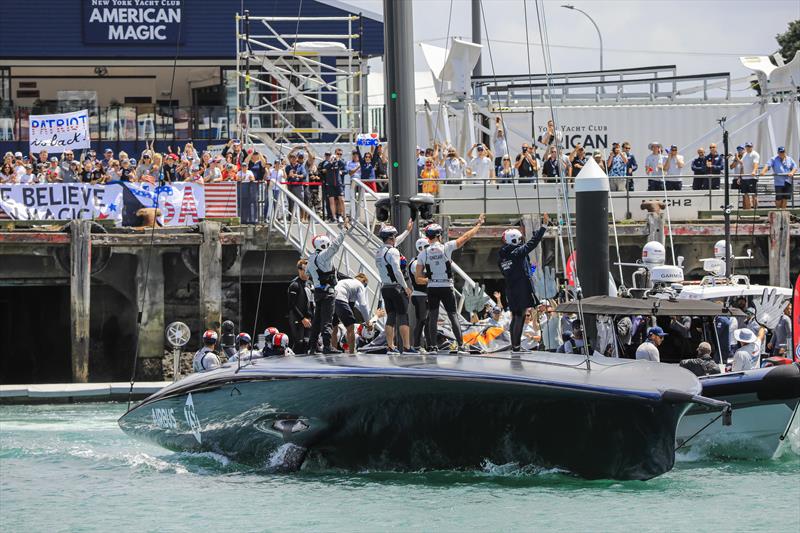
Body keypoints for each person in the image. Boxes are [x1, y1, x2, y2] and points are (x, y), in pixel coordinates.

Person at [417, 214, 485, 353]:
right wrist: (478, 225)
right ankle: (461, 345)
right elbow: (465, 237)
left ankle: (432, 346)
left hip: (432, 287)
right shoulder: (446, 247)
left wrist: (431, 280)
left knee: (433, 317)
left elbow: (418, 277)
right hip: (447, 286)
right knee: (453, 315)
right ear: (438, 236)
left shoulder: (422, 254)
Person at [497, 213, 549, 352]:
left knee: (515, 316)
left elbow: (504, 272)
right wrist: (543, 227)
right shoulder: (517, 253)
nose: (521, 241)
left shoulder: (501, 257)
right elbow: (532, 243)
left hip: (510, 288)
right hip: (521, 288)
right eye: (519, 239)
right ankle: (516, 347)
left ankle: (515, 346)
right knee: (520, 316)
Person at [306, 227, 350, 354]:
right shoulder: (323, 256)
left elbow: (308, 273)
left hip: (318, 293)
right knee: (327, 320)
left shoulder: (311, 258)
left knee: (317, 321)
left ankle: (312, 346)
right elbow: (335, 246)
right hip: (328, 293)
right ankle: (327, 346)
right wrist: (344, 231)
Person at [375, 225, 415, 354]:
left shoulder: (379, 251)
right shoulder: (393, 252)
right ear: (392, 238)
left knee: (391, 317)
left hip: (385, 288)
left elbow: (397, 241)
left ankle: (390, 347)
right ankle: (407, 347)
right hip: (396, 288)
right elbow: (397, 271)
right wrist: (405, 287)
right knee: (403, 317)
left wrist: (407, 230)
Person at [334, 273, 371, 354]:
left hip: (331, 299)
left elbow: (350, 306)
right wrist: (368, 322)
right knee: (350, 328)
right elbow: (363, 305)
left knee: (334, 326)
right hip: (341, 299)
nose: (364, 287)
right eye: (365, 285)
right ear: (364, 281)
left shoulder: (347, 282)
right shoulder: (360, 285)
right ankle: (352, 352)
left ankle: (333, 349)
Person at [408, 238, 431, 351]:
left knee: (428, 321)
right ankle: (416, 345)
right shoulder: (416, 263)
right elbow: (421, 278)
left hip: (426, 295)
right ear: (420, 248)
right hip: (420, 295)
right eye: (426, 247)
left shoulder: (423, 261)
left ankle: (430, 345)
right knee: (421, 320)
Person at [287, 259, 314, 354]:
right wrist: (302, 319)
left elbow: (311, 302)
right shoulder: (294, 285)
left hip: (308, 318)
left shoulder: (310, 284)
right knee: (299, 343)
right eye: (305, 269)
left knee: (307, 343)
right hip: (297, 318)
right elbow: (291, 305)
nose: (307, 272)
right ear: (299, 270)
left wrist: (311, 317)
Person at [739, 141, 760, 209]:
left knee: (754, 195)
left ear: (752, 147)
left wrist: (754, 171)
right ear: (745, 147)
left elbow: (756, 164)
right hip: (744, 178)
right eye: (747, 146)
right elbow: (742, 165)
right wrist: (740, 177)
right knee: (745, 195)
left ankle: (755, 210)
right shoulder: (745, 154)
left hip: (752, 178)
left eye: (750, 146)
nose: (748, 148)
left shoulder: (755, 154)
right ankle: (749, 211)